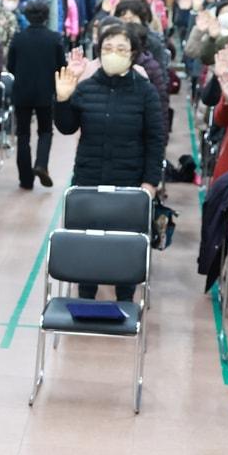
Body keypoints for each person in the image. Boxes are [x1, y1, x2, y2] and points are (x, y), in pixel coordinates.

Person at [51, 26, 164, 300]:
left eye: (121, 49)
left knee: (125, 242)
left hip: (130, 181)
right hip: (89, 177)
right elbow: (67, 128)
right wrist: (63, 99)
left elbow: (155, 138)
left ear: (133, 54)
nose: (114, 54)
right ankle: (85, 295)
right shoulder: (86, 87)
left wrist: (150, 181)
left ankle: (125, 297)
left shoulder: (146, 92)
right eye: (108, 48)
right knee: (87, 240)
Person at [7, 0, 67, 190]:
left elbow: (11, 66)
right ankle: (41, 163)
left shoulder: (18, 38)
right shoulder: (54, 38)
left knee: (23, 134)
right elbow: (61, 66)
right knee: (45, 130)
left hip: (22, 91)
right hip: (45, 91)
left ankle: (25, 179)